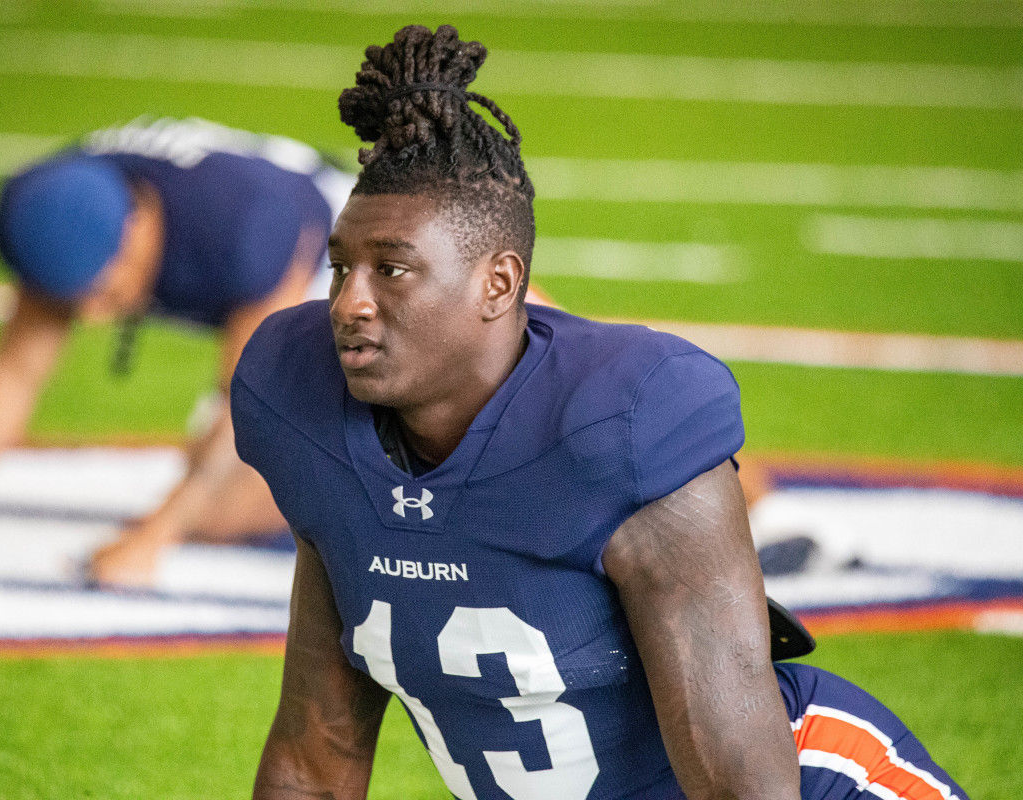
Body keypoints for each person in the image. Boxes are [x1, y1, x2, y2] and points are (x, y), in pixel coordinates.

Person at [232, 25, 967, 799]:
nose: (349, 303)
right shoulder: (305, 409)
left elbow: (740, 784)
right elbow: (316, 757)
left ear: (499, 283)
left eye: (393, 270)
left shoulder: (618, 424)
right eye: (341, 266)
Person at [0, 116, 354, 588]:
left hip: (346, 269)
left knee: (226, 507)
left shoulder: (247, 229)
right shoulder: (62, 205)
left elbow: (253, 408)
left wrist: (151, 538)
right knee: (209, 489)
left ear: (137, 226)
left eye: (104, 293)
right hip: (249, 211)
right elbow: (13, 374)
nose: (92, 317)